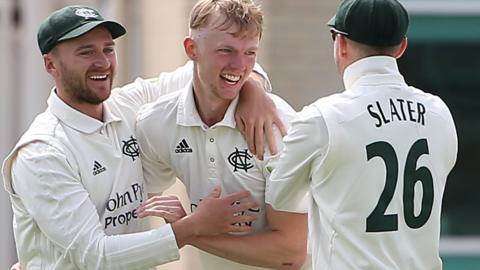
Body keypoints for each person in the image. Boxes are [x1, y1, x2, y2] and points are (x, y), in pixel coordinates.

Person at [2, 5, 285, 269]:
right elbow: (94, 256)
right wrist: (192, 227)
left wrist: (253, 89)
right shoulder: (42, 152)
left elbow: (211, 66)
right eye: (86, 52)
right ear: (51, 65)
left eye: (108, 49)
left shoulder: (128, 105)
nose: (102, 62)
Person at [266, 0, 458, 269]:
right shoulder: (439, 113)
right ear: (402, 47)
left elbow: (278, 196)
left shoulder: (322, 117)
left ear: (341, 44)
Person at [135, 0, 309, 269]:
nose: (239, 65)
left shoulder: (279, 127)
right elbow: (133, 199)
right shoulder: (155, 122)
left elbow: (290, 253)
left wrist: (190, 230)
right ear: (192, 49)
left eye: (250, 53)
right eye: (225, 51)